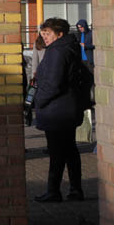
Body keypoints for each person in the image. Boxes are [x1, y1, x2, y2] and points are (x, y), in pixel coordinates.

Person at [34, 17, 85, 203]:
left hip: (57, 110)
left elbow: (53, 83)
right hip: (67, 107)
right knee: (70, 150)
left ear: (59, 34)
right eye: (43, 34)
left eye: (48, 34)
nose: (44, 37)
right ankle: (75, 189)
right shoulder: (69, 48)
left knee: (56, 152)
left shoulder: (57, 52)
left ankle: (53, 191)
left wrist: (38, 101)